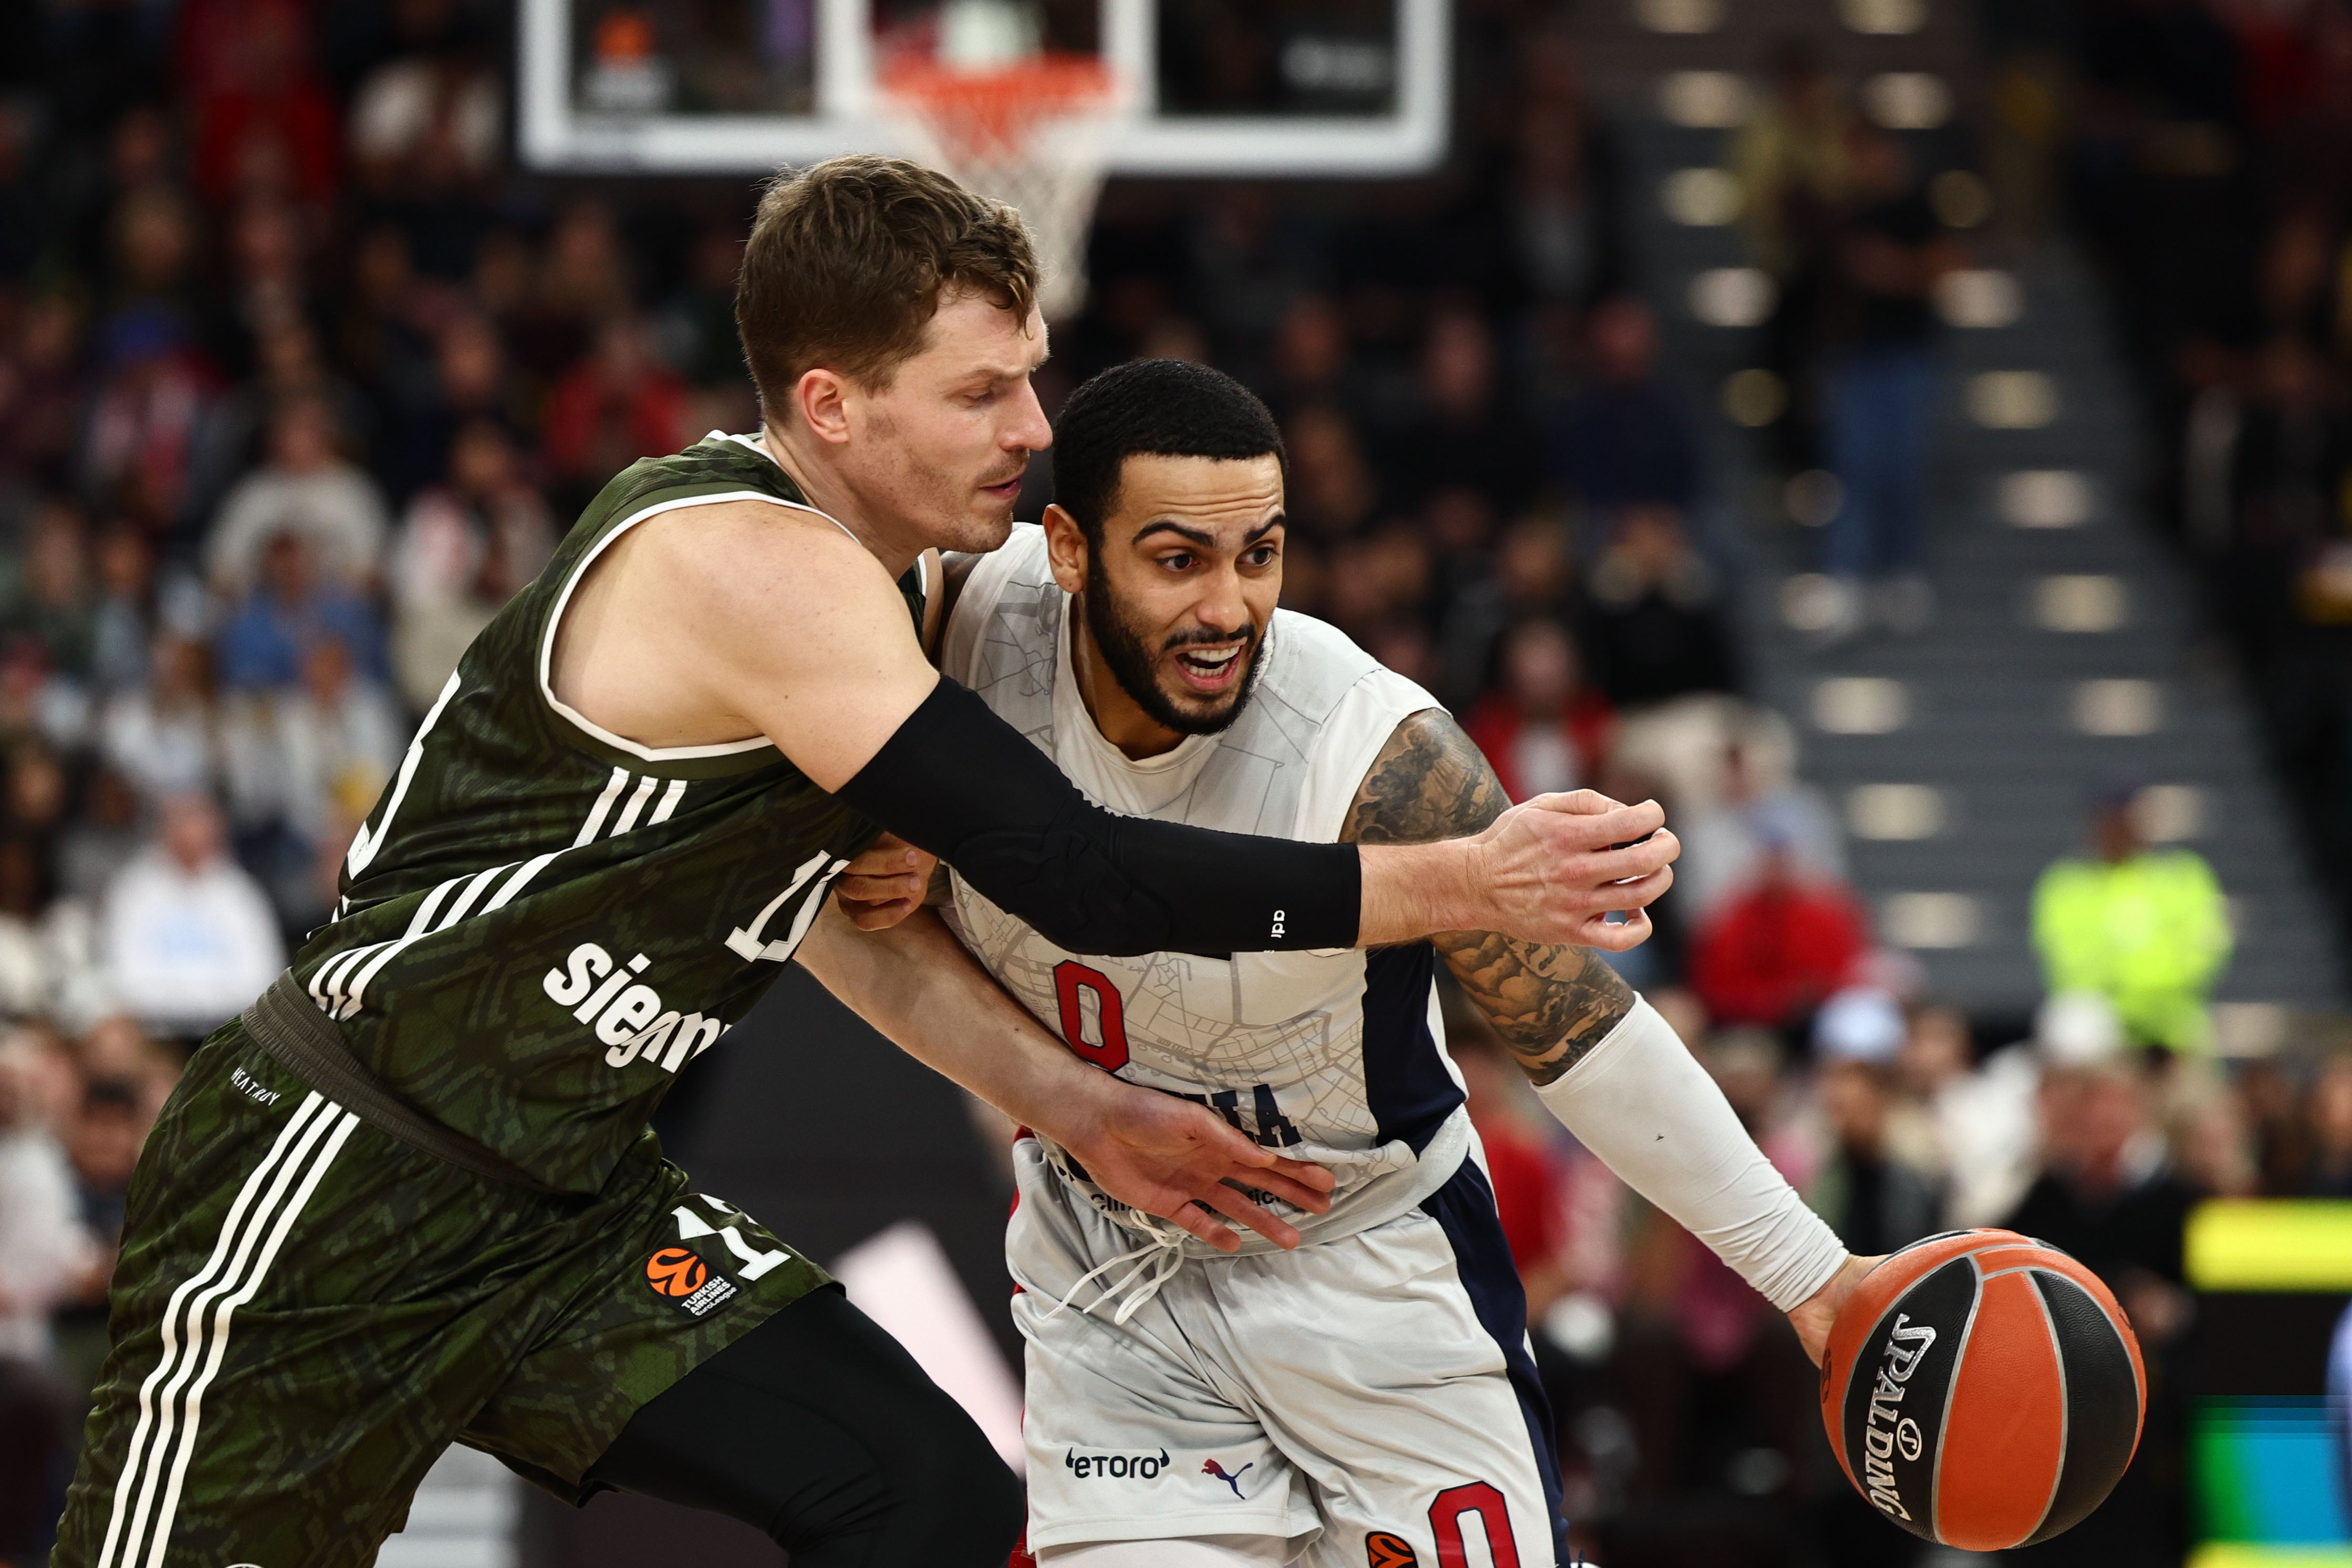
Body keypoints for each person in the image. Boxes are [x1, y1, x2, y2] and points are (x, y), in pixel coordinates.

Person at [54, 157, 1685, 1568]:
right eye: (981, 393)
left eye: (1031, 379)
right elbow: (1082, 876)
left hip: (568, 1211)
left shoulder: (891, 598)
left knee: (924, 1497)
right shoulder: (746, 563)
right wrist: (1459, 881)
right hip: (339, 1179)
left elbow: (832, 923)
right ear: (831, 404)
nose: (1033, 431)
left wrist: (1075, 1100)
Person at [909, 358, 1868, 1567]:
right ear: (1065, 548)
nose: (1224, 606)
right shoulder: (943, 642)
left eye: (1256, 554)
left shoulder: (1373, 749)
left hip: (1369, 1263)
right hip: (1114, 1285)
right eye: (1174, 560)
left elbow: (1571, 1023)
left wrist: (1810, 1277)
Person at [2031, 788, 2233, 1053]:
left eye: (2123, 818)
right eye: (2107, 819)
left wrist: (2132, 982)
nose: (2116, 828)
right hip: (2102, 1030)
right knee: (2073, 1021)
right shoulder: (2064, 885)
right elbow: (2070, 969)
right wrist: (2149, 971)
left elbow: (2205, 952)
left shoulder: (2184, 876)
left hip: (2174, 1025)